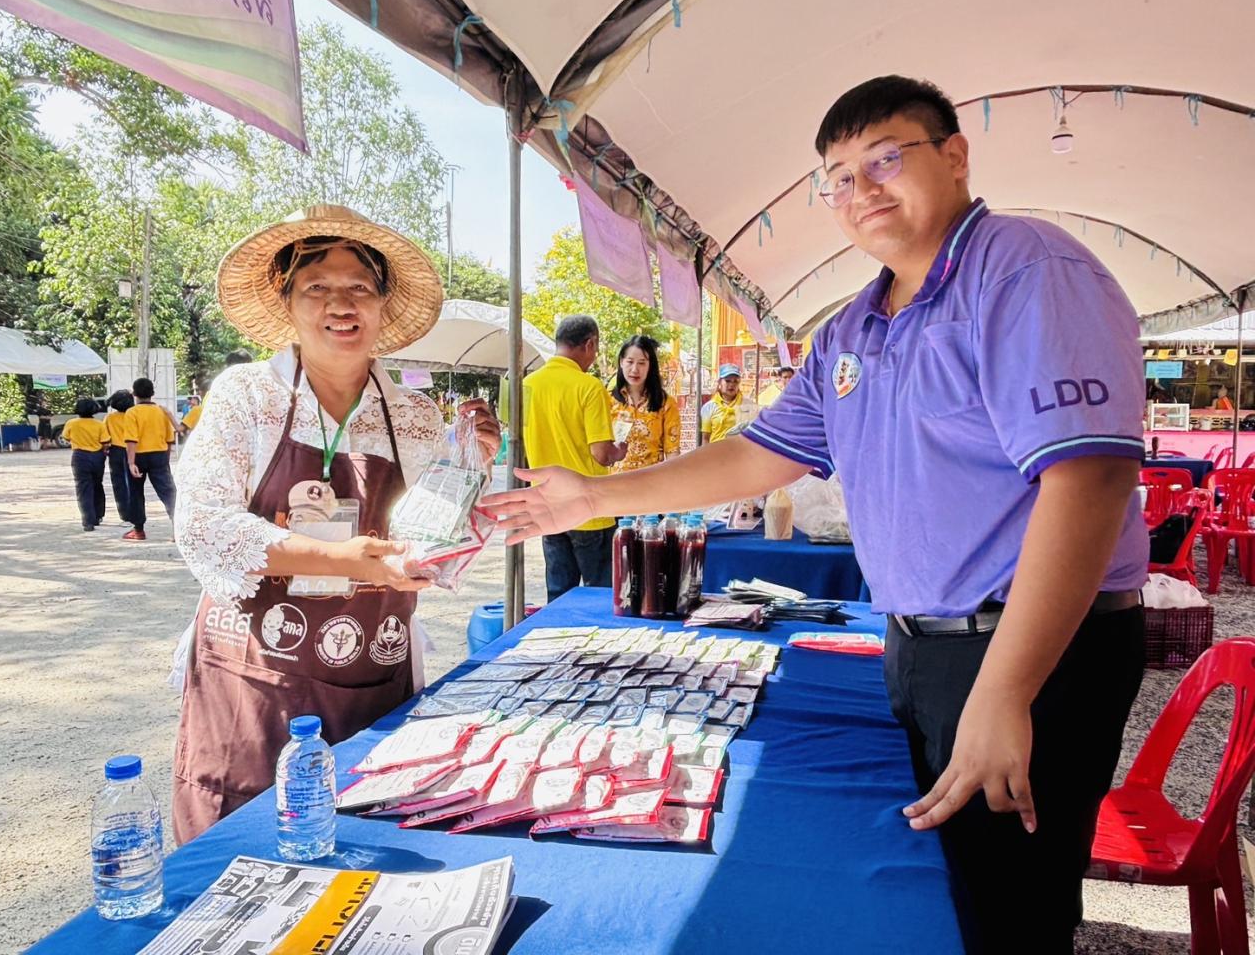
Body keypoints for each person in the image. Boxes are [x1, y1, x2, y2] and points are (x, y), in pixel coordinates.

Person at [484, 75, 1147, 955]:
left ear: (954, 156)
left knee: (1007, 910)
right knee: (938, 888)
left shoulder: (1025, 268)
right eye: (837, 175)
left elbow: (1088, 482)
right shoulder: (852, 329)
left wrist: (1005, 689)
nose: (860, 190)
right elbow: (758, 453)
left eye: (885, 159)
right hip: (917, 641)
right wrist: (595, 496)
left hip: (1029, 648)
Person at [171, 203, 499, 842]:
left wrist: (472, 471)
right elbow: (203, 525)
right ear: (287, 302)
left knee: (369, 855)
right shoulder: (248, 395)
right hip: (256, 679)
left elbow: (439, 543)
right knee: (241, 858)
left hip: (374, 674)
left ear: (381, 305)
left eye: (360, 289)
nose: (340, 304)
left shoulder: (415, 415)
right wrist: (344, 560)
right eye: (317, 287)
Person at [523, 314, 626, 601]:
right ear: (590, 343)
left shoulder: (527, 385)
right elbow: (602, 454)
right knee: (600, 595)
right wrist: (619, 451)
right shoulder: (589, 387)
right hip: (589, 509)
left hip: (547, 506)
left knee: (558, 594)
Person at [608, 334, 680, 473]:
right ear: (621, 362)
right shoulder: (607, 400)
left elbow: (672, 452)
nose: (635, 369)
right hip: (615, 484)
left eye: (641, 363)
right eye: (630, 361)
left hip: (652, 484)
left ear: (650, 366)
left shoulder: (666, 404)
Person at [123, 377, 178, 542]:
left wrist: (131, 462)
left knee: (135, 492)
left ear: (134, 393)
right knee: (169, 492)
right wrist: (165, 460)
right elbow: (169, 439)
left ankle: (138, 529)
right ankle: (179, 527)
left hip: (139, 455)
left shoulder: (132, 412)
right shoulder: (161, 411)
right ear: (152, 393)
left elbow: (131, 439)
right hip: (159, 455)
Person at [62, 398, 109, 531]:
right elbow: (105, 442)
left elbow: (66, 437)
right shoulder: (99, 424)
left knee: (83, 488)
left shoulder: (71, 423)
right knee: (97, 485)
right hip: (97, 457)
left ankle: (87, 520)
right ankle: (98, 515)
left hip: (80, 456)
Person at [104, 390, 135, 524]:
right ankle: (136, 511)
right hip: (133, 450)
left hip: (116, 451)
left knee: (118, 483)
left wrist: (105, 449)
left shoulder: (110, 418)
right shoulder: (134, 416)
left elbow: (105, 437)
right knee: (134, 483)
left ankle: (124, 514)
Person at [699, 364, 746, 441]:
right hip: (716, 451)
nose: (732, 384)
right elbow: (705, 439)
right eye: (727, 381)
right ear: (719, 382)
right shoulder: (709, 407)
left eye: (736, 381)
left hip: (740, 451)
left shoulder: (748, 406)